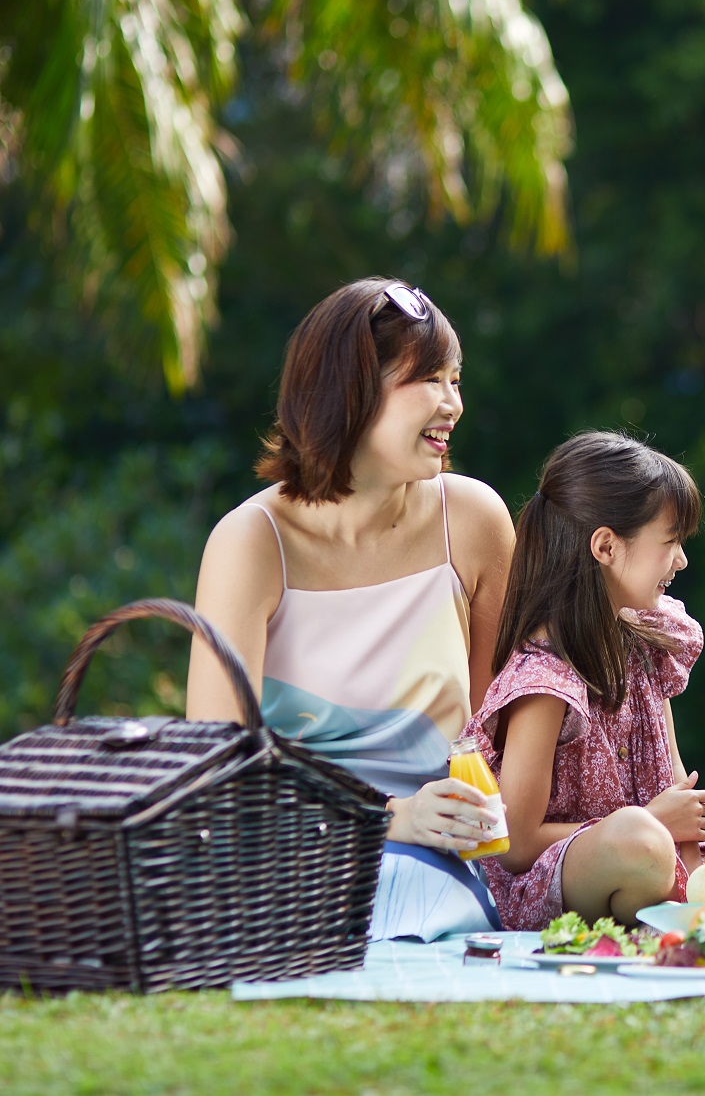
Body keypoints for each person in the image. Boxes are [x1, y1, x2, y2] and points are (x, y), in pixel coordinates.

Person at [189, 278, 515, 941]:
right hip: (281, 853)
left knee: (421, 894)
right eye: (428, 379)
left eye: (456, 380)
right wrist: (393, 815)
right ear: (350, 389)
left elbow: (496, 736)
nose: (452, 402)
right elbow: (218, 771)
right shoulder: (252, 543)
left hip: (441, 859)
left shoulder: (475, 520)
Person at [464, 432, 705, 928]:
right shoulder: (545, 678)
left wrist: (700, 868)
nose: (681, 560)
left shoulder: (644, 646)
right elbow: (514, 845)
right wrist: (654, 819)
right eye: (670, 542)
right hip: (581, 873)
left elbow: (675, 783)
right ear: (606, 546)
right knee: (637, 838)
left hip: (658, 863)